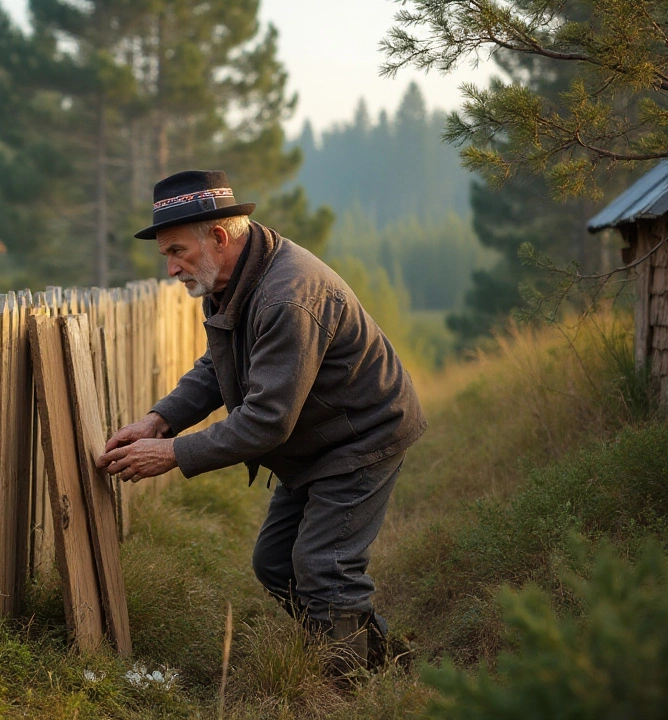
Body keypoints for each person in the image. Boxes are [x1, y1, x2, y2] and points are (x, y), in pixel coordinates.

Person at [96, 170, 426, 671]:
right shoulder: (231, 279)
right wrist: (159, 421)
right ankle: (378, 660)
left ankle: (345, 688)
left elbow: (266, 422)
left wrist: (171, 454)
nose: (170, 268)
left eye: (175, 252)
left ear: (220, 237)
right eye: (166, 254)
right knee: (275, 564)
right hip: (316, 438)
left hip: (361, 434)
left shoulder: (288, 296)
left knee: (324, 567)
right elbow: (218, 366)